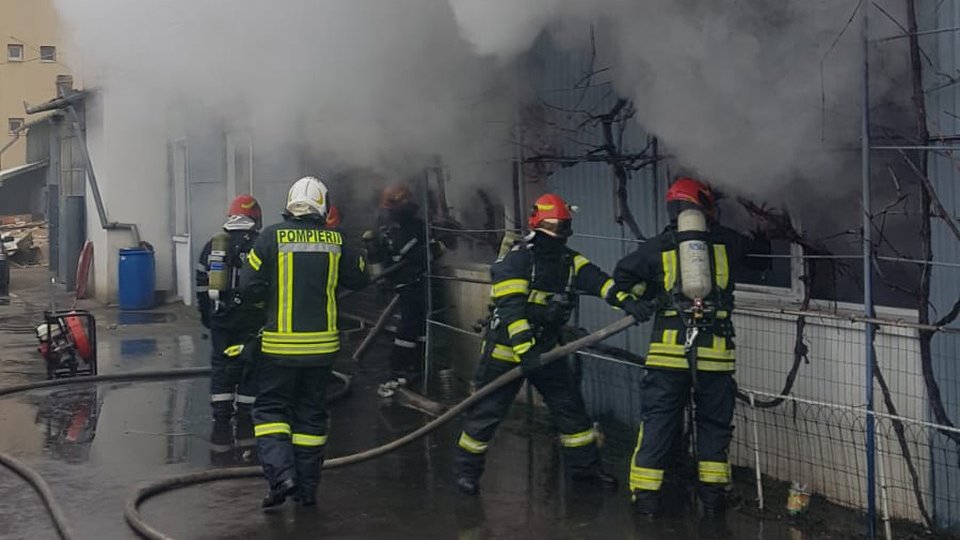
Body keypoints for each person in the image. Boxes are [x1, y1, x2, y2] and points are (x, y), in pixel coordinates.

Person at [453, 193, 653, 496]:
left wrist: (628, 303)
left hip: (546, 350)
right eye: (555, 229)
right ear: (538, 226)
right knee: (486, 413)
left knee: (570, 409)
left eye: (563, 229)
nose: (559, 236)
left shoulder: (569, 260)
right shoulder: (518, 259)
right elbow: (511, 311)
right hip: (507, 350)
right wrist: (526, 350)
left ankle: (585, 471)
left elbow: (600, 282)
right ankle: (466, 473)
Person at [613, 176, 771, 518]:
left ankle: (646, 503)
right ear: (705, 205)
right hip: (715, 358)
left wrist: (640, 301)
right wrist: (761, 231)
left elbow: (622, 278)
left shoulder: (658, 246)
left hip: (668, 358)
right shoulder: (728, 242)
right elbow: (762, 262)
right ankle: (712, 506)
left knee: (657, 426)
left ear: (674, 208)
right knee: (714, 430)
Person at [239, 176, 368, 509]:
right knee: (311, 417)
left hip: (280, 348)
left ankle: (282, 477)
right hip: (323, 349)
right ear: (323, 205)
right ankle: (307, 491)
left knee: (270, 411)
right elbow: (360, 277)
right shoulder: (337, 241)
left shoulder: (270, 237)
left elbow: (248, 285)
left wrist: (265, 305)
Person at [195, 194, 264, 420]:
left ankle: (221, 412)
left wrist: (207, 315)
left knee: (220, 364)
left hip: (220, 316)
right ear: (255, 216)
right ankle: (246, 412)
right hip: (252, 318)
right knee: (250, 364)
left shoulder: (213, 245)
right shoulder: (260, 244)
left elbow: (202, 284)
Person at [364, 183, 436, 385]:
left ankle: (418, 365)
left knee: (420, 326)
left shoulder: (403, 221)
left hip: (415, 280)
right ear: (393, 202)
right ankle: (400, 367)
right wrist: (437, 247)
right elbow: (411, 252)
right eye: (405, 199)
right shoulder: (393, 224)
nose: (410, 203)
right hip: (408, 281)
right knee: (409, 326)